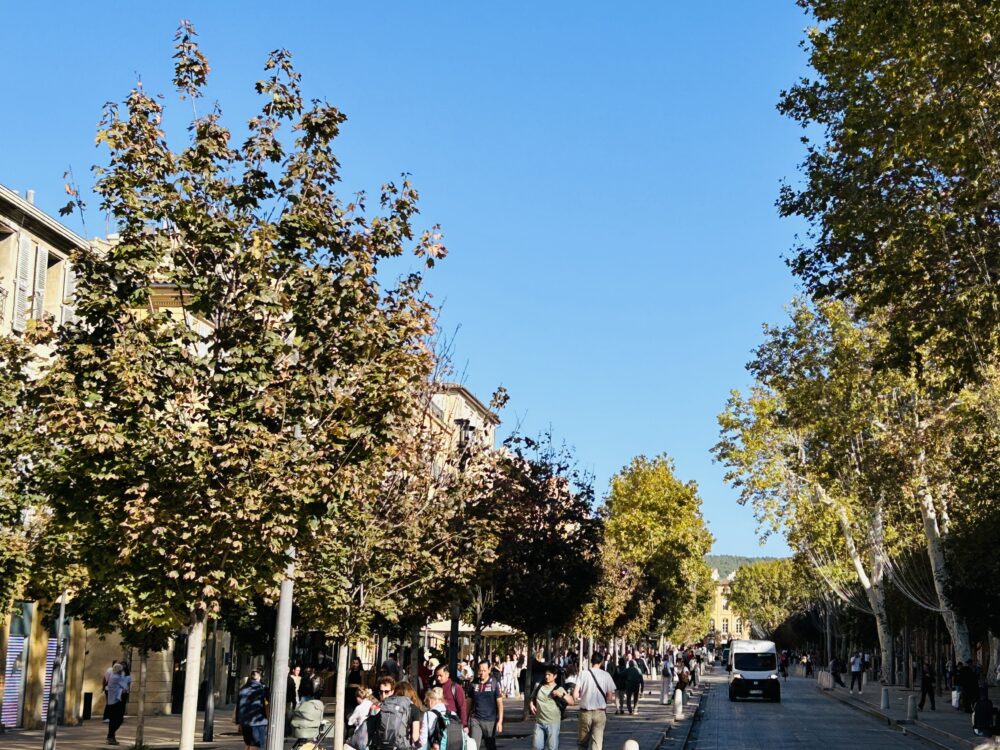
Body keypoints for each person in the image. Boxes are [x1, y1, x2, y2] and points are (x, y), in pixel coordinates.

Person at [573, 652, 616, 750]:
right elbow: (610, 697)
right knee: (597, 743)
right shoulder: (606, 675)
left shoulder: (583, 674)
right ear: (601, 662)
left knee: (582, 743)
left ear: (591, 661)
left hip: (585, 712)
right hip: (600, 712)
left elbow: (575, 694)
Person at [531, 664, 574, 750]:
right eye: (546, 674)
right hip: (539, 722)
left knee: (552, 748)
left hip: (553, 723)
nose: (546, 676)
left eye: (549, 675)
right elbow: (533, 697)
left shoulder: (558, 688)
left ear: (555, 676)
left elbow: (571, 702)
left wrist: (560, 694)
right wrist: (531, 704)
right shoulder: (539, 686)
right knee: (536, 747)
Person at [469, 660, 503, 750]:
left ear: (489, 670)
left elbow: (500, 703)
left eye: (484, 670)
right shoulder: (473, 684)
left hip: (490, 721)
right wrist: (465, 721)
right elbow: (469, 702)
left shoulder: (494, 683)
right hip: (476, 720)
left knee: (490, 746)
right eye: (480, 670)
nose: (482, 673)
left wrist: (500, 721)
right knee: (473, 746)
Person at [235, 669, 269, 750]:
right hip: (258, 722)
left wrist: (239, 721)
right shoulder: (261, 690)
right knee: (255, 744)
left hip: (245, 722)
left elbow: (239, 706)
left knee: (248, 743)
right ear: (259, 678)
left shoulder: (243, 689)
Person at [291, 676, 326, 747]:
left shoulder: (313, 679)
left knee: (306, 710)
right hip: (309, 699)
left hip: (310, 700)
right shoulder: (308, 679)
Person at [434, 664, 468, 729]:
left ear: (447, 674)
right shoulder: (435, 688)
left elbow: (462, 707)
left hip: (451, 723)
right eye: (437, 676)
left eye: (440, 676)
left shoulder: (456, 688)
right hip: (436, 724)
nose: (438, 678)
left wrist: (464, 725)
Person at [105, 663, 129, 745]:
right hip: (116, 702)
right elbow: (125, 686)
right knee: (118, 720)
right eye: (121, 669)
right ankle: (111, 735)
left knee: (113, 720)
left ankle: (111, 736)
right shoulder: (117, 678)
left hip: (111, 701)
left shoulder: (112, 675)